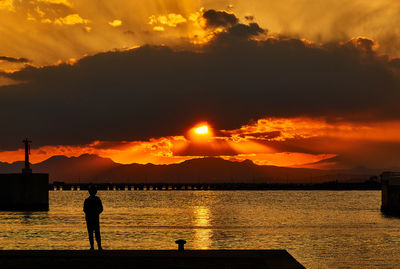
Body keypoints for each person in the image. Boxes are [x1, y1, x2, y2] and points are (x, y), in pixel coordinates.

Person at [83, 185, 103, 250]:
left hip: (89, 219)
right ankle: (99, 246)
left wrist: (89, 213)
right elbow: (101, 209)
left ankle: (92, 246)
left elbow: (85, 210)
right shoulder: (97, 199)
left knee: (90, 233)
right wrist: (97, 213)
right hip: (95, 218)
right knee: (97, 232)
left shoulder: (87, 200)